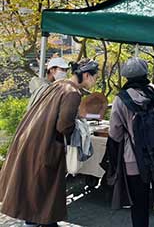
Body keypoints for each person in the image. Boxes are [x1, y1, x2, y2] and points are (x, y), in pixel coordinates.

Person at [0, 59, 99, 227]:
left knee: (34, 195)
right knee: (41, 196)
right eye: (95, 77)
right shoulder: (72, 93)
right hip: (46, 147)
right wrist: (79, 125)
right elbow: (64, 126)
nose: (95, 81)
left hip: (32, 143)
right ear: (87, 75)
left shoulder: (59, 85)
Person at [109, 58, 154, 227]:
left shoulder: (120, 100)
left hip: (134, 161)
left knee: (139, 205)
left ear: (126, 77)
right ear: (146, 72)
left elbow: (115, 134)